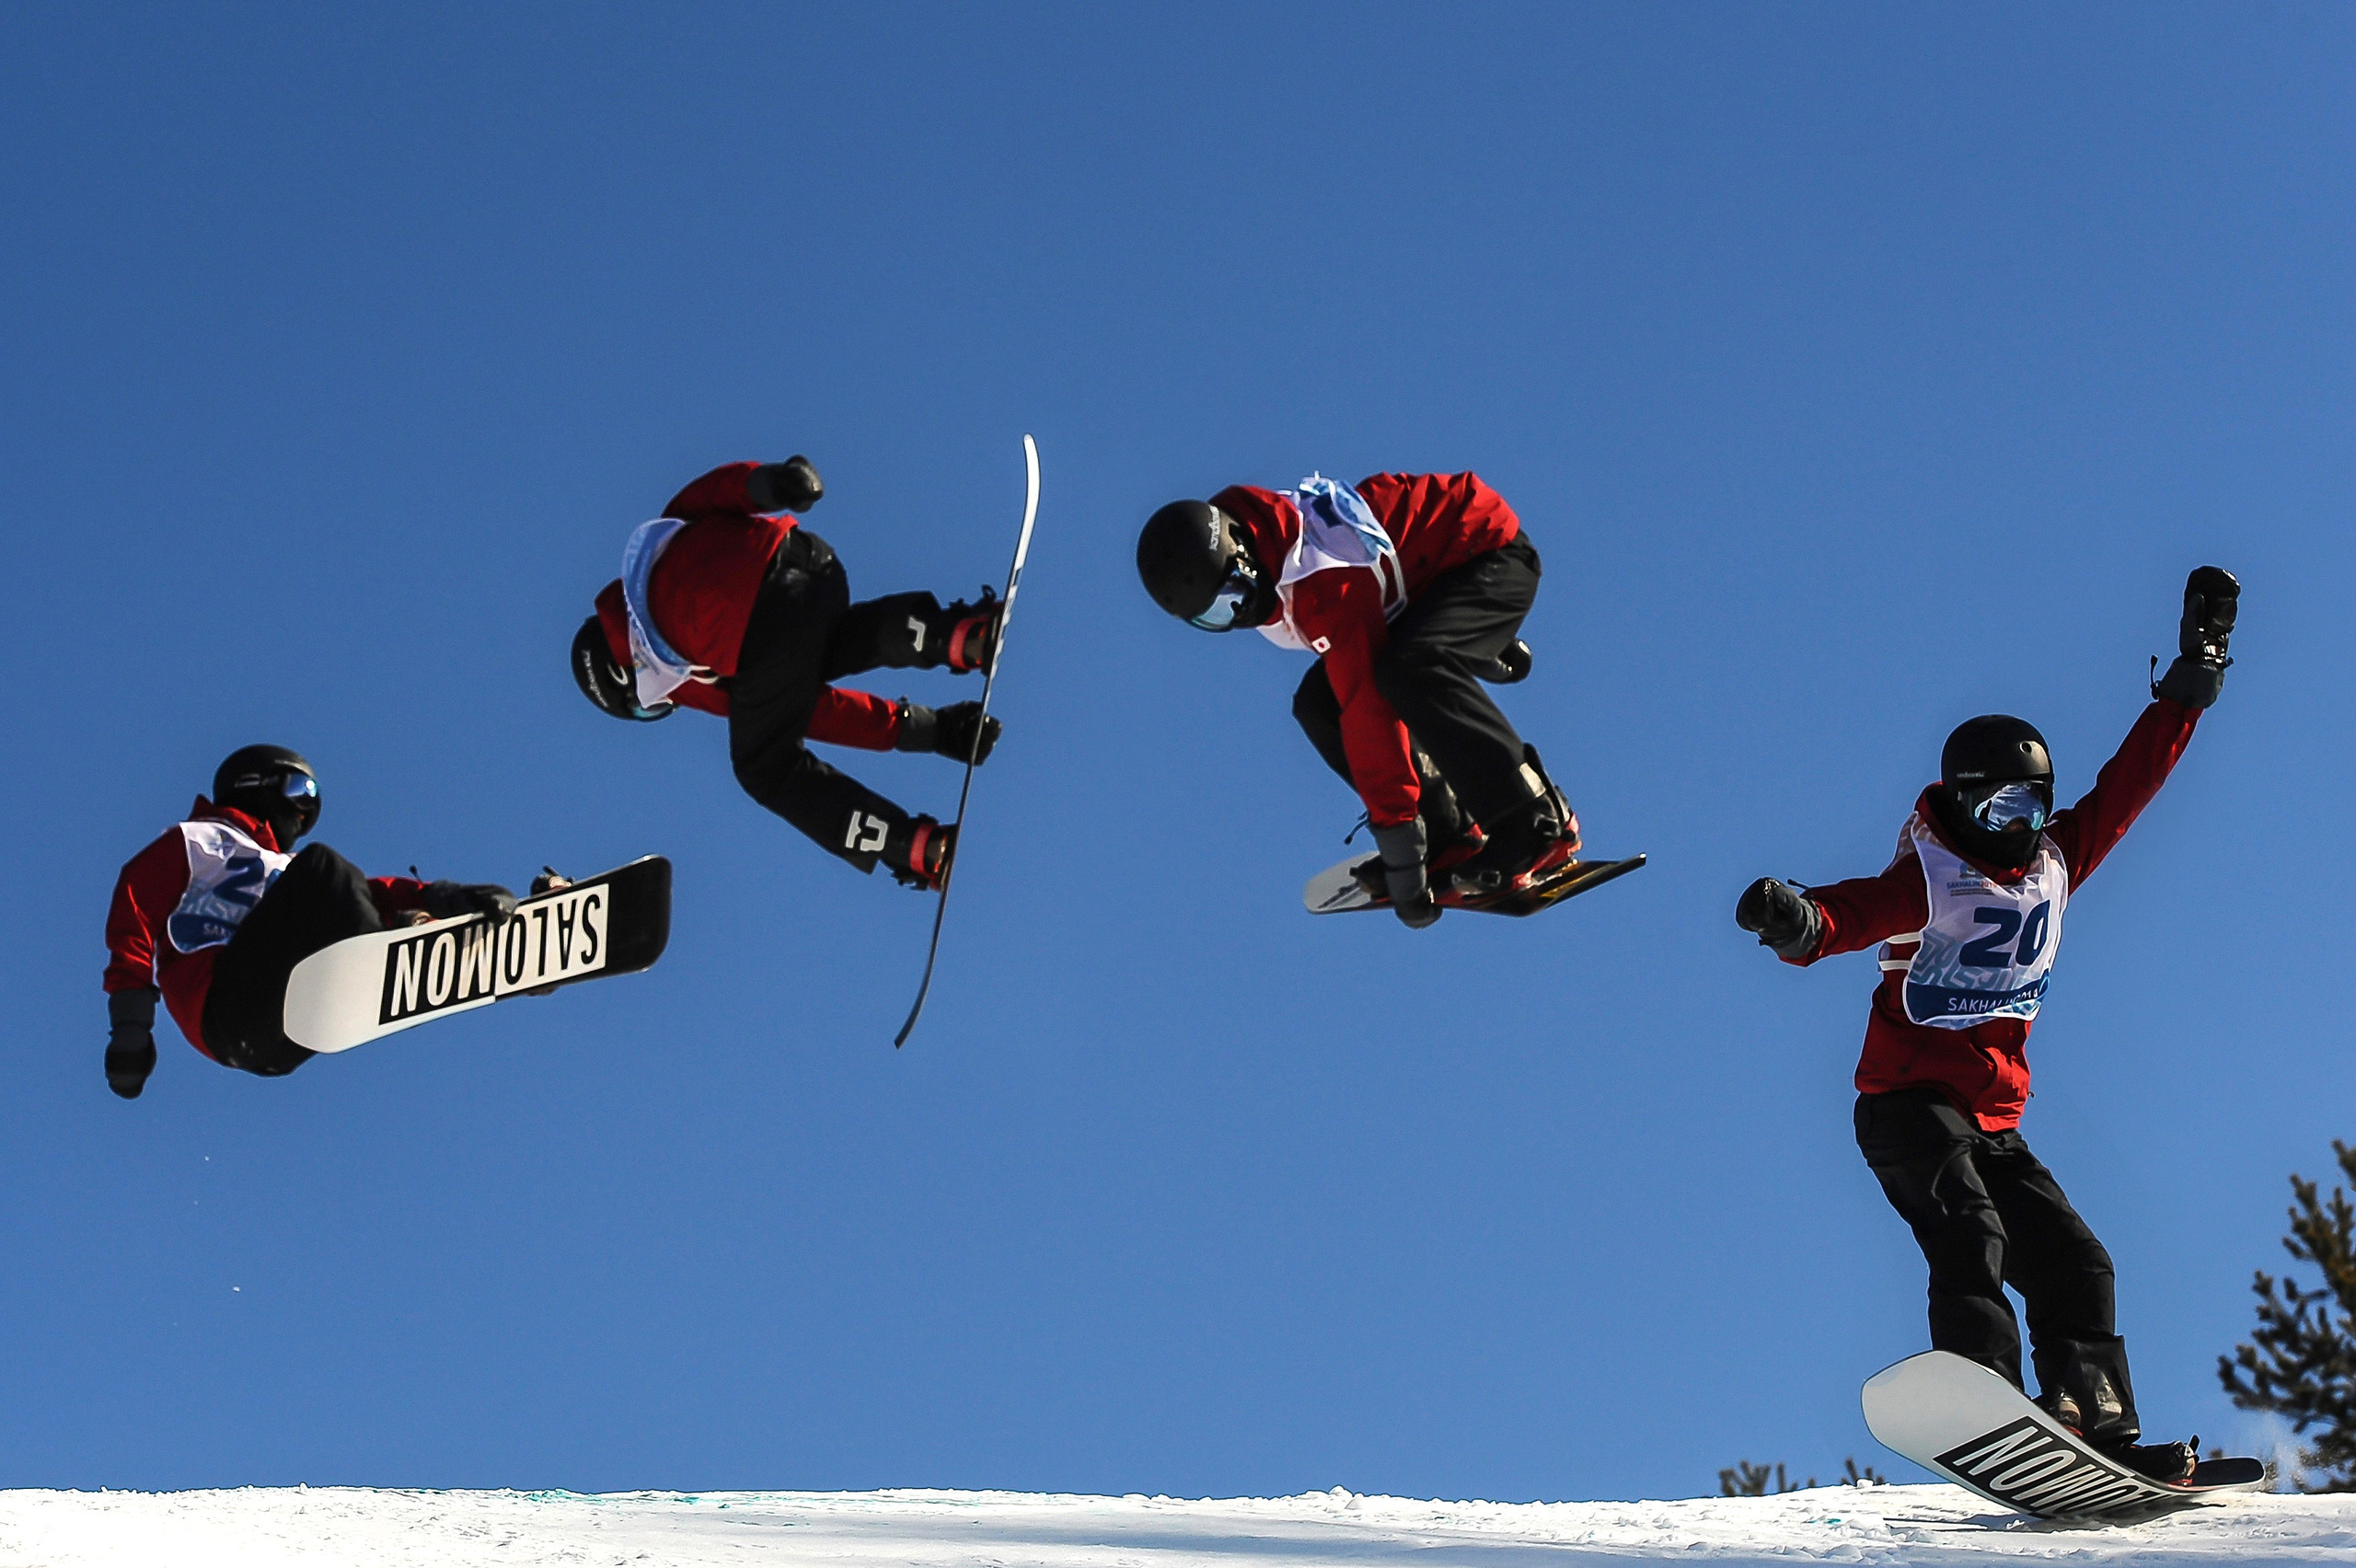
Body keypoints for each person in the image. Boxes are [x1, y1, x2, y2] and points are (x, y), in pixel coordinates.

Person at [1733, 567, 2240, 1481]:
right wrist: (1797, 922)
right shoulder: (1929, 880)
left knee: (2078, 1262)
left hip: (1994, 1119)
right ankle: (1985, 1392)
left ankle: (2092, 1421)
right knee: (1969, 1231)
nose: (2015, 829)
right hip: (1903, 1107)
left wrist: (2185, 695)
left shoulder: (2052, 861)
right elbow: (1849, 914)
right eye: (1996, 810)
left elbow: (2126, 791)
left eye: (2030, 809)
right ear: (1961, 806)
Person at [1137, 471, 1570, 927]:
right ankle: (1449, 833)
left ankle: (1536, 822)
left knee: (1407, 671)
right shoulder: (1272, 550)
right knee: (1317, 704)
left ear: (1241, 553)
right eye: (1215, 617)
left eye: (1233, 595)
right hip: (1423, 584)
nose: (1239, 613)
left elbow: (1370, 714)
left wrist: (1400, 847)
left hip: (1489, 552)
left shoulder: (1318, 577)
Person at [573, 455, 1003, 890]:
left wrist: (933, 732)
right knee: (825, 646)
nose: (663, 702)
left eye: (648, 707)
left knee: (764, 768)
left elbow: (810, 712)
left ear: (625, 680)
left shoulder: (659, 662)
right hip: (810, 564)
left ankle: (908, 844)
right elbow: (716, 490)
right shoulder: (659, 543)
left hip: (754, 636)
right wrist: (776, 483)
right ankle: (954, 634)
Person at [101, 745, 520, 1096]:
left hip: (284, 1033)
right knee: (324, 867)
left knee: (334, 881)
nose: (306, 808)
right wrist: (131, 1029)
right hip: (224, 1002)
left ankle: (445, 954)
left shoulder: (285, 870)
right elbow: (134, 917)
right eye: (301, 789)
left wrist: (447, 896)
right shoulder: (196, 841)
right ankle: (390, 959)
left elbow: (366, 892)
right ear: (254, 784)